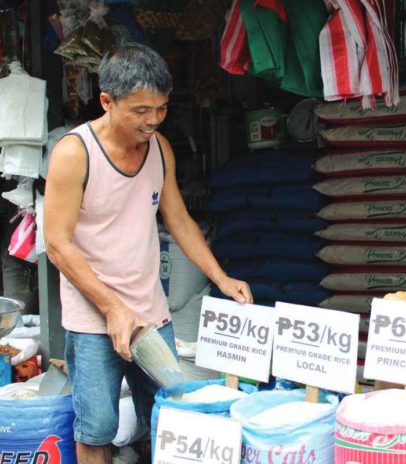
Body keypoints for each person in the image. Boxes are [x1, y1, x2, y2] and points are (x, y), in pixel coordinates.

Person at [43, 43, 253, 463]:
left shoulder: (159, 148)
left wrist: (220, 276)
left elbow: (178, 219)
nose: (153, 120)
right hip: (93, 321)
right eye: (141, 110)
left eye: (161, 108)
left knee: (170, 420)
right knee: (97, 432)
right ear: (107, 101)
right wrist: (112, 309)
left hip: (152, 315)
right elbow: (57, 244)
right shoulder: (74, 153)